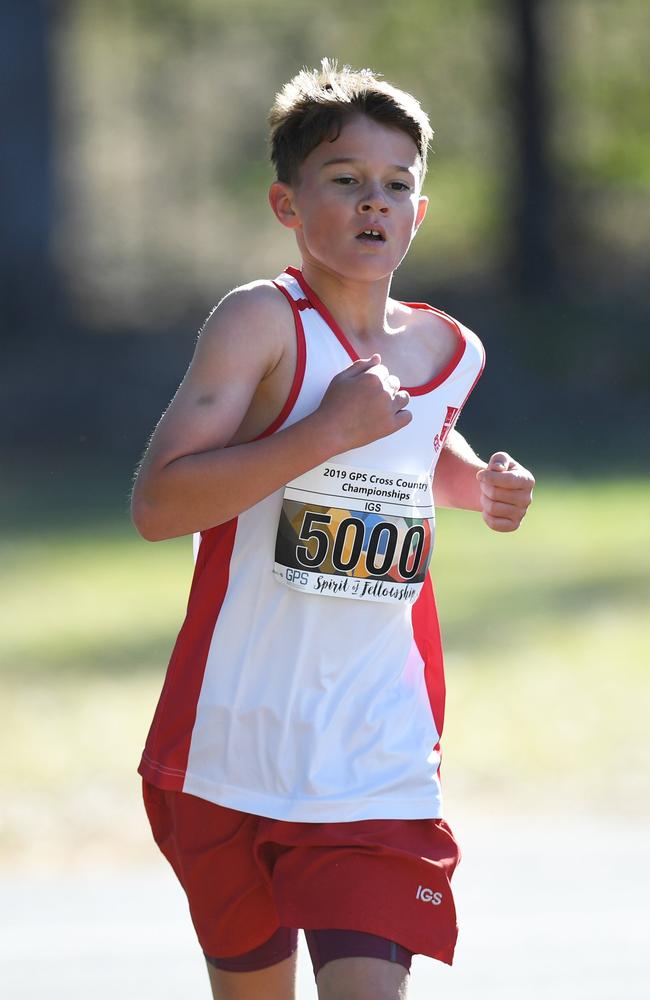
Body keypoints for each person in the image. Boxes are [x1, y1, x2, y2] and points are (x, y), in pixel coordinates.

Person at [131, 60, 534, 1000]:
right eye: (346, 180)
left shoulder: (451, 349)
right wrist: (322, 433)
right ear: (287, 201)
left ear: (420, 212)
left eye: (397, 185)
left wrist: (480, 487)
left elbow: (417, 449)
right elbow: (160, 504)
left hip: (375, 747)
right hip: (231, 742)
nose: (373, 204)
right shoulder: (260, 323)